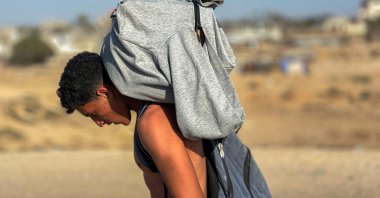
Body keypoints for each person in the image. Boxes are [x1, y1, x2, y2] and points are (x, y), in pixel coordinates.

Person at [57, 52, 207, 198]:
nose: (99, 123)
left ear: (105, 93)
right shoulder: (150, 114)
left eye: (94, 114)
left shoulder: (154, 121)